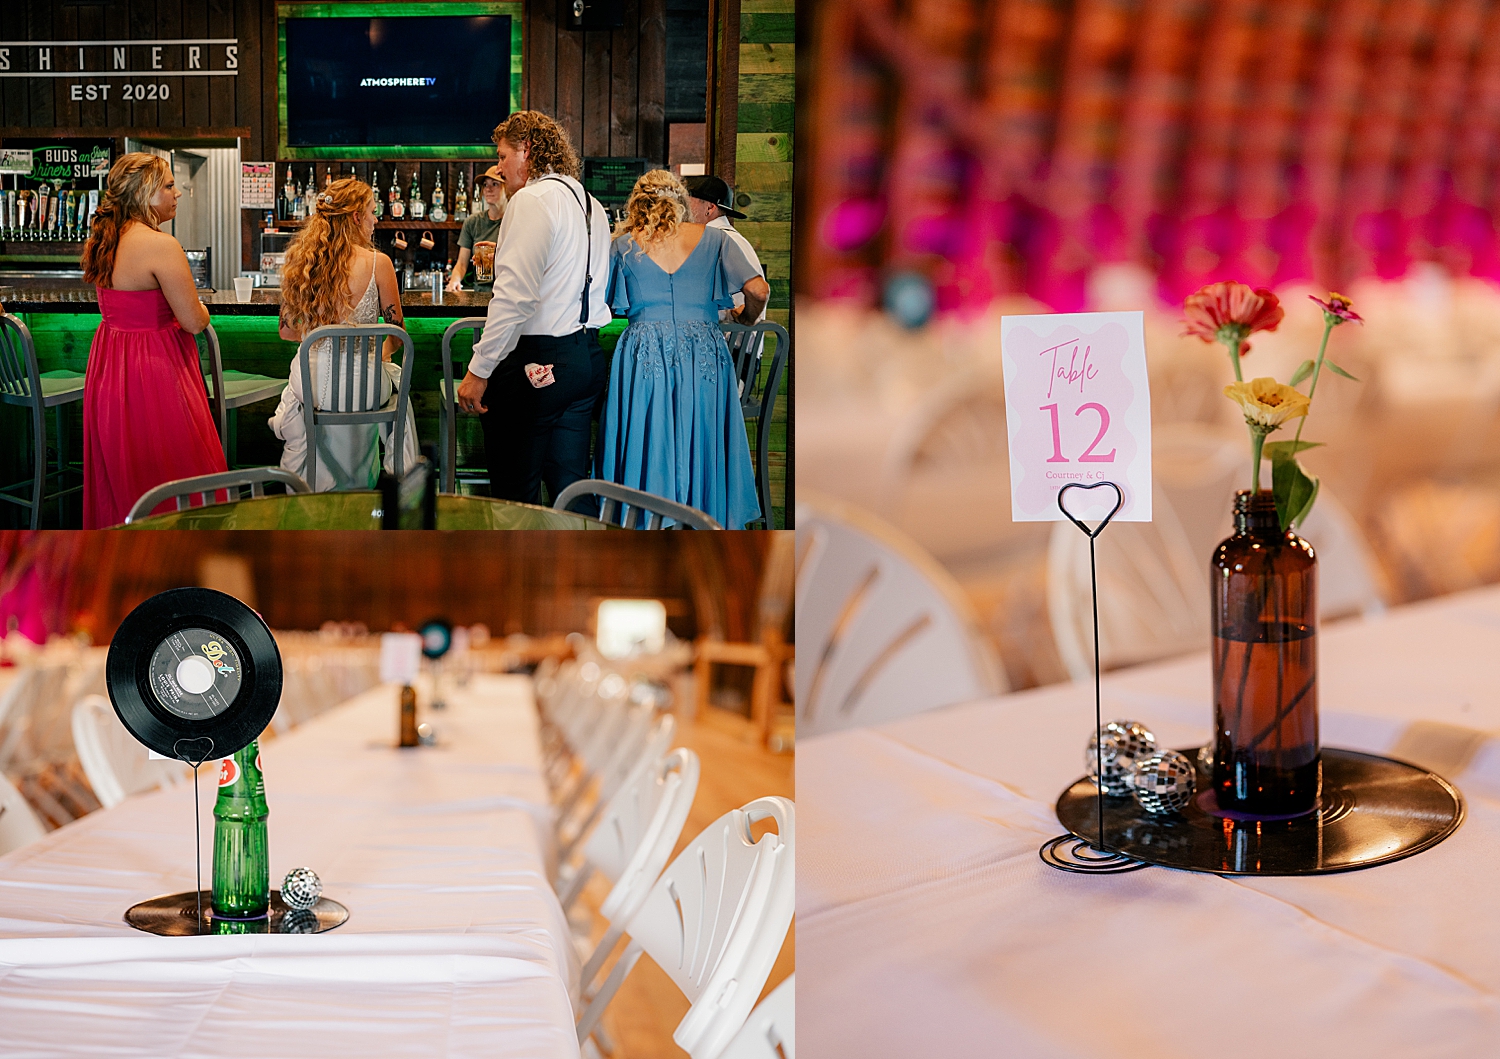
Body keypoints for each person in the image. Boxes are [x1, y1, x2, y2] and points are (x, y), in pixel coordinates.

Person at [596, 170, 770, 528]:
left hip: (643, 351)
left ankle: (646, 524)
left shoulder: (624, 245)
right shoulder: (717, 240)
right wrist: (747, 320)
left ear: (638, 203)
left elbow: (601, 305)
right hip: (703, 351)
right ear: (680, 200)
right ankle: (701, 525)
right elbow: (759, 290)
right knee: (701, 437)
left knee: (649, 438)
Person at [456, 111, 610, 505]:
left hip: (538, 361)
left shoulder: (531, 200)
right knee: (571, 492)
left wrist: (479, 369)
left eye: (503, 155)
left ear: (526, 151)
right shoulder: (590, 203)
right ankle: (578, 566)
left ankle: (518, 566)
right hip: (585, 359)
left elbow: (514, 298)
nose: (500, 166)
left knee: (514, 494)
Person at [79, 152, 227, 527]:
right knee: (178, 470)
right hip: (156, 369)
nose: (178, 194)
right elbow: (193, 321)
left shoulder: (106, 240)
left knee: (124, 473)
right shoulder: (161, 245)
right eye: (169, 186)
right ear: (145, 194)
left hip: (110, 365)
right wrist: (204, 310)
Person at [269, 177, 416, 491]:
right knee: (396, 378)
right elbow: (397, 335)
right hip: (365, 389)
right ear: (355, 217)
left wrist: (320, 337)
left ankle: (316, 487)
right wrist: (373, 354)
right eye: (372, 212)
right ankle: (385, 480)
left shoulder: (301, 262)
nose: (376, 220)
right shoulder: (380, 263)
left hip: (310, 387)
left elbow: (285, 331)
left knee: (304, 377)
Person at [683, 174, 766, 326]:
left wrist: (746, 320)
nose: (680, 210)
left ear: (709, 207)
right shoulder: (730, 238)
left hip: (729, 342)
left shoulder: (712, 241)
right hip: (738, 343)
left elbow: (758, 292)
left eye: (686, 203)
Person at [447, 164, 507, 294]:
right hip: (479, 293)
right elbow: (461, 264)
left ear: (506, 188)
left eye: (495, 184)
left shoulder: (514, 221)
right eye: (485, 185)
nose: (488, 189)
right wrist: (455, 280)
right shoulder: (472, 222)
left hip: (506, 293)